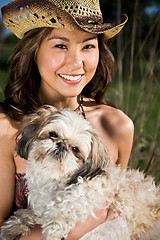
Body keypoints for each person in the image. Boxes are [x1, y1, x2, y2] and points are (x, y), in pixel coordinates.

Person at [0, 0, 134, 239]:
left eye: (88, 46)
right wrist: (70, 233)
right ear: (33, 50)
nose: (76, 63)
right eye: (61, 45)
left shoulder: (117, 126)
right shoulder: (5, 127)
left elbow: (119, 217)